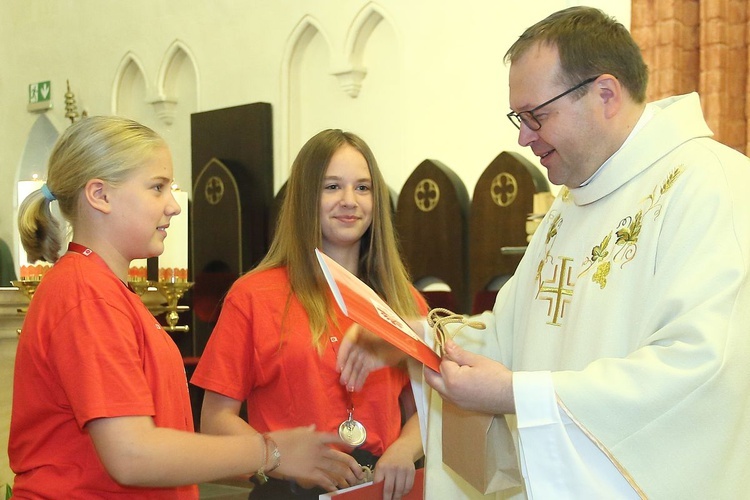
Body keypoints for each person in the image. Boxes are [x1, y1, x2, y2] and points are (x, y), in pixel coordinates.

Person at [339, 6, 750, 499]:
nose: (522, 136)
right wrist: (415, 337)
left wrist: (518, 394)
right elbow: (511, 333)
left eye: (537, 115)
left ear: (605, 94)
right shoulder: (570, 203)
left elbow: (706, 370)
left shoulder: (709, 184)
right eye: (519, 117)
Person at [9, 116, 349, 499]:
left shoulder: (102, 289)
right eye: (157, 188)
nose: (173, 206)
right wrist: (269, 451)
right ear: (99, 195)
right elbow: (131, 454)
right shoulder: (86, 296)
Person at [191, 128, 428, 499]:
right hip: (290, 492)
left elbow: (426, 410)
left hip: (382, 489)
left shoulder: (405, 302)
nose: (350, 201)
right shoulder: (254, 295)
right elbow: (215, 420)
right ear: (305, 198)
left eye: (363, 188)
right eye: (332, 187)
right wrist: (282, 457)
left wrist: (404, 449)